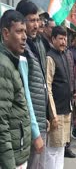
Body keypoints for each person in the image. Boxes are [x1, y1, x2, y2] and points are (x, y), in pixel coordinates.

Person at [16, 0, 48, 168]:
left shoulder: (35, 45)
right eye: (32, 20)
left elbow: (41, 84)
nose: (36, 25)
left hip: (40, 120)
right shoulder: (22, 50)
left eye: (38, 20)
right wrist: (35, 132)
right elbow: (25, 94)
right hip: (30, 126)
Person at [0, 10, 31, 169]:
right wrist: (9, 165)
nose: (24, 37)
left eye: (25, 31)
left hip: (17, 152)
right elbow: (1, 123)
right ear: (6, 34)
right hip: (11, 159)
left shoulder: (12, 61)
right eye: (19, 31)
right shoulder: (3, 66)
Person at [46, 26, 73, 169]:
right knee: (52, 150)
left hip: (66, 108)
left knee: (61, 146)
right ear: (53, 39)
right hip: (56, 111)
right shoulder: (50, 57)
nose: (63, 41)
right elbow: (48, 87)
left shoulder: (64, 55)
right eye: (60, 38)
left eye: (65, 38)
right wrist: (53, 114)